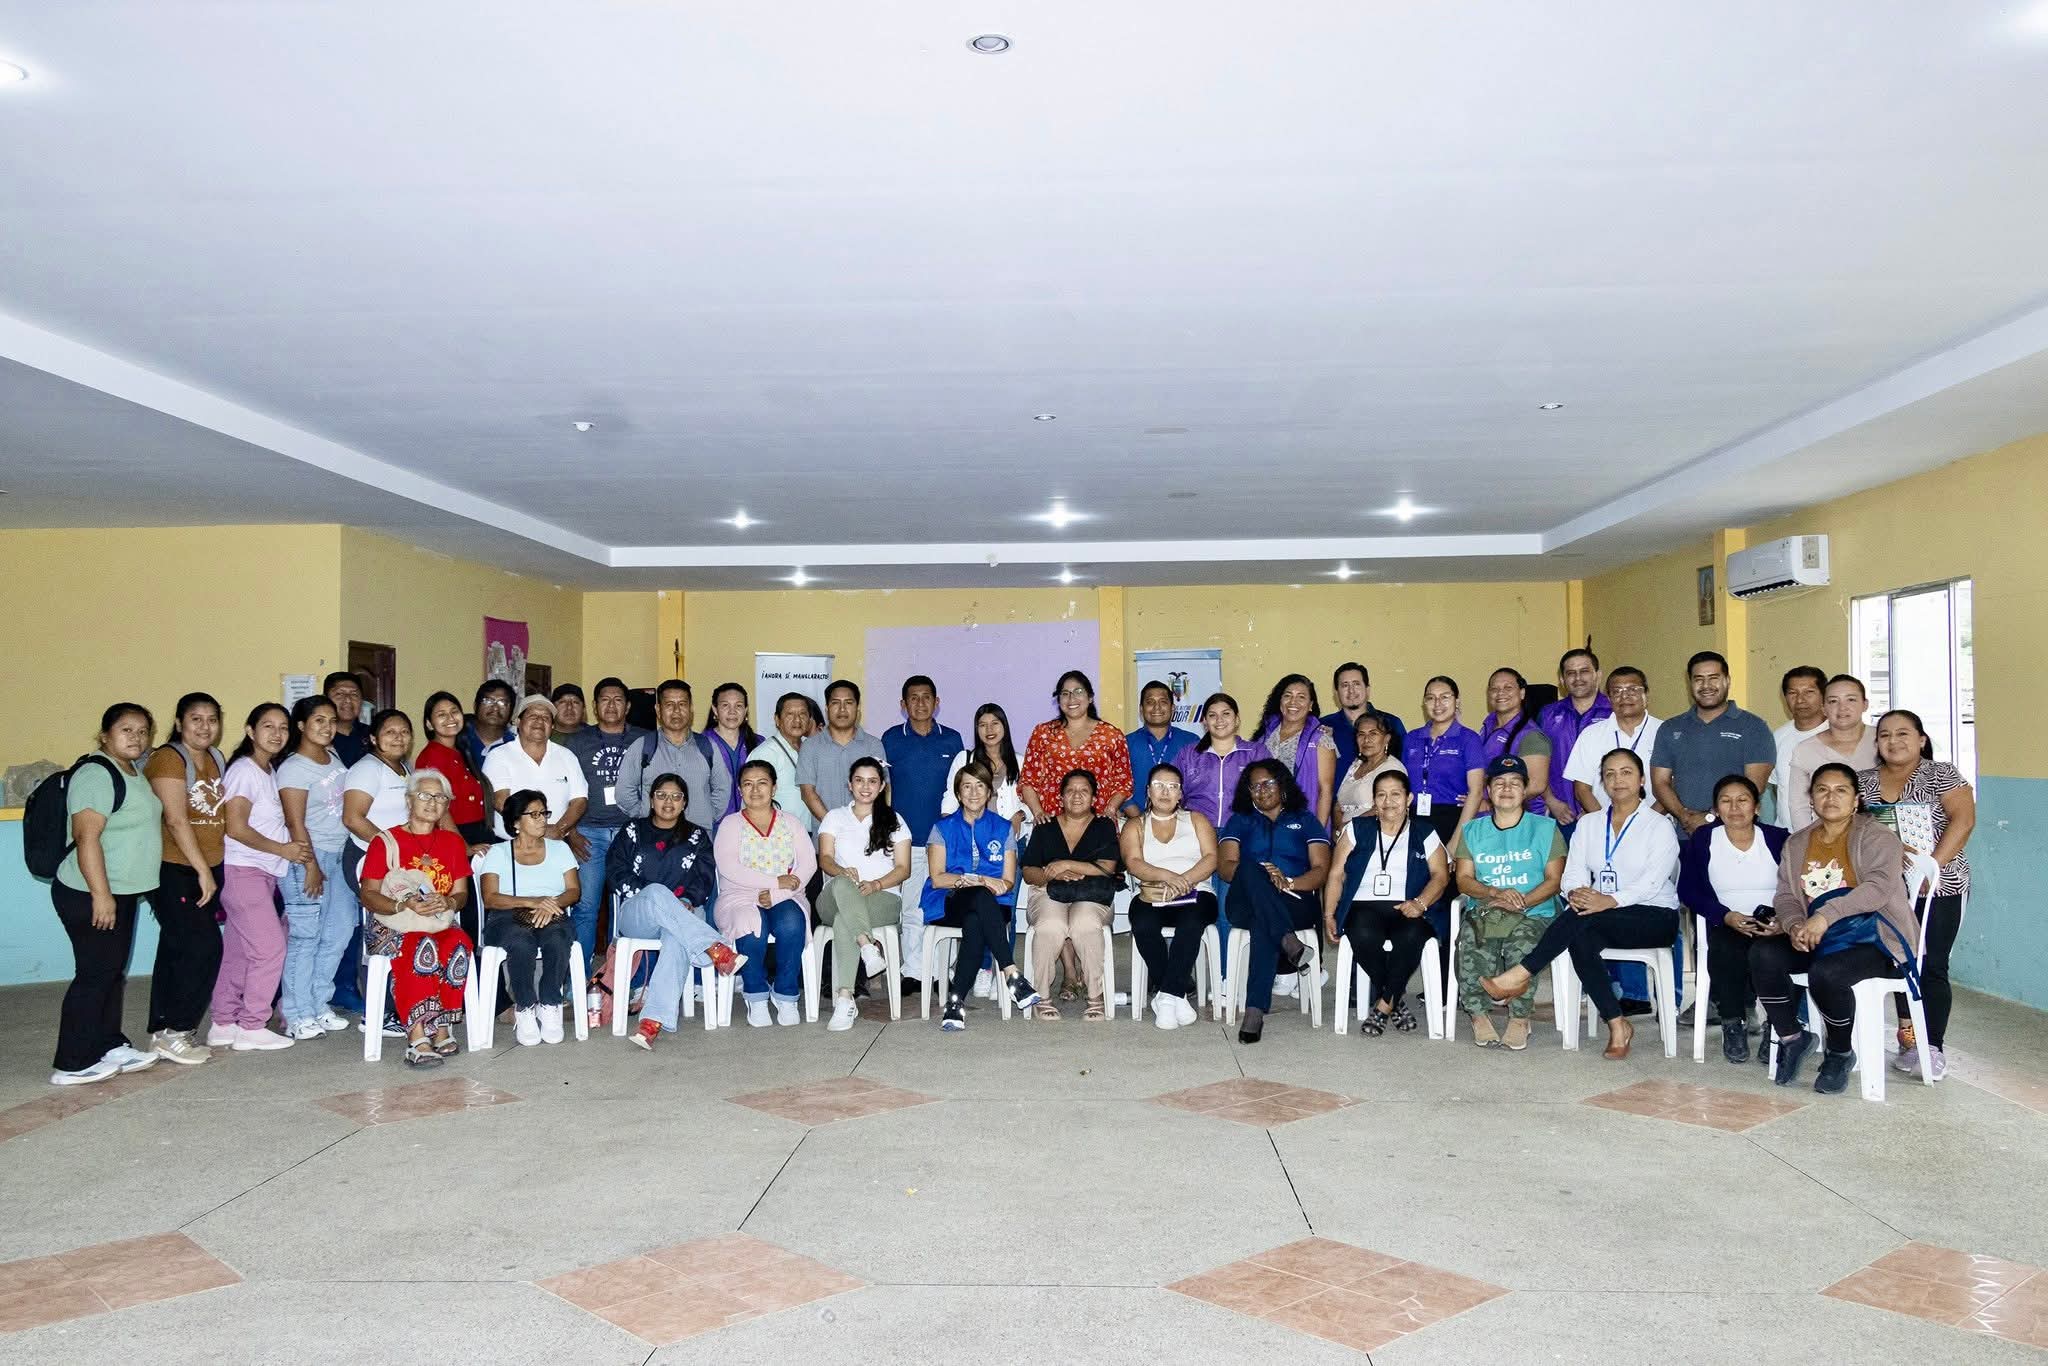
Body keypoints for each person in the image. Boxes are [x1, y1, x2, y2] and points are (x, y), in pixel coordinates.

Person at [1483, 750, 1681, 1059]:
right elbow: (1572, 871)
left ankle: (1522, 972)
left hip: (1654, 915)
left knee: (1581, 921)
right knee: (1580, 934)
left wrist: (1609, 900)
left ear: (1642, 780)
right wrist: (1576, 892)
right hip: (1600, 913)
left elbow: (1652, 882)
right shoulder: (1589, 824)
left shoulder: (1658, 825)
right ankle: (1617, 1023)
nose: (1618, 780)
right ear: (1602, 781)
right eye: (1610, 774)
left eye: (1626, 772)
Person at [1751, 763, 1921, 1094]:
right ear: (1811, 798)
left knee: (1827, 973)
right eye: (1822, 790)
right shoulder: (1797, 843)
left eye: (1841, 790)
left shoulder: (1879, 838)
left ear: (1856, 800)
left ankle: (1840, 1052)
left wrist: (1825, 917)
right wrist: (1795, 924)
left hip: (1876, 939)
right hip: (1820, 934)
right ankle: (1793, 1037)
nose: (1831, 797)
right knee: (1763, 954)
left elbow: (1877, 889)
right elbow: (1786, 895)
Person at [49, 703, 165, 1085]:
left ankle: (109, 1044)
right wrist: (101, 895)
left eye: (143, 731)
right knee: (95, 974)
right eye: (126, 729)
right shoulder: (96, 774)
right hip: (89, 892)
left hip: (121, 892)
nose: (136, 737)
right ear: (105, 735)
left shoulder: (131, 771)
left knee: (112, 972)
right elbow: (86, 838)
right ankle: (72, 1063)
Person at [1860, 708, 1974, 1080]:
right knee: (1899, 960)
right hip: (1887, 890)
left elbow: (1964, 820)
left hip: (1941, 886)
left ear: (1921, 739)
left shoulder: (1941, 774)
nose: (1893, 741)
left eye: (1903, 733)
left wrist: (1931, 868)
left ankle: (1933, 1047)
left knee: (1931, 963)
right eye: (1885, 735)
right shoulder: (1863, 782)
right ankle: (1910, 1040)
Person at [1444, 755, 1565, 1050]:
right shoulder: (1472, 831)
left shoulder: (1545, 828)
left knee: (1522, 941)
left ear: (1525, 790)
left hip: (1535, 910)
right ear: (1488, 790)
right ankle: (1478, 1014)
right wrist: (1495, 893)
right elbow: (1463, 880)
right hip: (1488, 907)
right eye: (1499, 783)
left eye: (1515, 783)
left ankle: (1520, 1018)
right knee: (1471, 938)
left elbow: (1554, 880)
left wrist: (1521, 902)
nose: (1507, 789)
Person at [610, 774, 738, 1051]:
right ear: (651, 799)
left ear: (685, 803)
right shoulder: (632, 830)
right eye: (661, 795)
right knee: (657, 892)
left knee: (675, 936)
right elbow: (616, 871)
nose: (668, 802)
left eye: (676, 796)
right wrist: (659, 898)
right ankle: (714, 948)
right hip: (639, 913)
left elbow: (704, 877)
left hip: (686, 911)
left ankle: (652, 1022)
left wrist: (688, 899)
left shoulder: (697, 836)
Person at [208, 703, 308, 1052]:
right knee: (271, 949)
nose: (277, 734)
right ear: (250, 731)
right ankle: (252, 1025)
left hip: (261, 873)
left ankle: (223, 1022)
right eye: (268, 726)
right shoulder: (244, 771)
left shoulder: (269, 771)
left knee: (239, 952)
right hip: (243, 871)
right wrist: (283, 850)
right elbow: (235, 827)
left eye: (283, 727)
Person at [358, 768, 474, 1067]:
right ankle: (417, 1036)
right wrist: (403, 905)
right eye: (424, 795)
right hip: (393, 923)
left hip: (438, 920)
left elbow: (461, 894)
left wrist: (448, 900)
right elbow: (368, 894)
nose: (432, 802)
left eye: (440, 797)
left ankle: (442, 1026)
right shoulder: (386, 841)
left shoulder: (452, 843)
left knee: (459, 942)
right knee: (421, 945)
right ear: (409, 800)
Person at [1324, 768, 1450, 1037]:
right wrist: (1329, 914)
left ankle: (1383, 1006)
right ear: (1374, 800)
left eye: (1395, 794)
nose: (1388, 801)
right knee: (1362, 932)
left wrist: (1420, 903)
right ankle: (1393, 1000)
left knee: (1412, 935)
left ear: (1409, 798)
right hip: (1363, 906)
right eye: (1381, 795)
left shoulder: (1425, 832)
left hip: (1409, 906)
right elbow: (1335, 874)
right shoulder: (1356, 829)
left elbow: (1441, 876)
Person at [1677, 775, 1789, 1064]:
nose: (1735, 808)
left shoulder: (1778, 838)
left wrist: (1781, 920)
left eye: (1743, 800)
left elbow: (1796, 887)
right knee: (1726, 947)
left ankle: (1776, 1028)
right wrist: (1724, 915)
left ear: (1757, 807)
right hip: (1726, 921)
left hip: (1774, 924)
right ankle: (1732, 1023)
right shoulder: (1704, 839)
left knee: (1775, 953)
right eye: (1726, 801)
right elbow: (1688, 890)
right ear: (1716, 809)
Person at [140, 692, 227, 1066]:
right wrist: (203, 871)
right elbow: (176, 820)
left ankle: (162, 1030)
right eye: (196, 719)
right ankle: (178, 1030)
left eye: (212, 719)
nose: (205, 727)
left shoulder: (215, 758)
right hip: (175, 869)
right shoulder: (168, 759)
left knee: (176, 947)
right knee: (203, 947)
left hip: (208, 867)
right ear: (179, 723)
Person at [924, 760, 1042, 1031]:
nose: (974, 792)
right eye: (967, 786)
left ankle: (955, 1002)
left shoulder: (1003, 828)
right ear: (958, 793)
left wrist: (987, 884)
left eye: (980, 786)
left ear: (990, 792)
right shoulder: (942, 828)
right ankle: (1011, 972)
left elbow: (1008, 882)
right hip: (949, 900)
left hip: (993, 905)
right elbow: (938, 878)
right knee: (978, 896)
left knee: (977, 919)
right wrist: (978, 881)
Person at [1219, 759, 1331, 1044]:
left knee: (1264, 921)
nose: (1262, 790)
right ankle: (1289, 942)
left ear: (1282, 784)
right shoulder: (1239, 820)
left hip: (1295, 900)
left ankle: (1254, 1011)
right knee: (1250, 867)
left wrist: (1289, 882)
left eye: (1268, 783)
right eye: (1254, 786)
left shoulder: (1305, 819)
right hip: (1244, 902)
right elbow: (1226, 868)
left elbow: (1320, 870)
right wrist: (1263, 873)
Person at [714, 760, 818, 1027]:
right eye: (748, 784)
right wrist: (774, 882)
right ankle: (756, 994)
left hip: (786, 895)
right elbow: (728, 867)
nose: (755, 790)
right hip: (739, 895)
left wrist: (779, 892)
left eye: (762, 783)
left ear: (774, 788)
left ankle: (785, 993)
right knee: (751, 926)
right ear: (739, 790)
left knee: (792, 923)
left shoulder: (791, 822)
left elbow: (808, 864)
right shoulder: (730, 824)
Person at [276, 696, 356, 1041]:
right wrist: (310, 866)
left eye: (331, 720)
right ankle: (296, 1013)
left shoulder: (332, 757)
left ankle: (319, 1003)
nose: (327, 727)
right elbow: (295, 822)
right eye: (319, 720)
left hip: (340, 856)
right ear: (301, 726)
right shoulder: (293, 768)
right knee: (305, 936)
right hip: (310, 857)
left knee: (338, 932)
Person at [1119, 762, 1220, 1029]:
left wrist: (1185, 880)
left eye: (1173, 786)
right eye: (1159, 786)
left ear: (1181, 793)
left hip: (1197, 891)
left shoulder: (1196, 820)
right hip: (1153, 892)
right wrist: (1168, 877)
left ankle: (1165, 997)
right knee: (1142, 923)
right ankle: (1177, 994)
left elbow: (1212, 858)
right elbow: (1133, 863)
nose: (1165, 792)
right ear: (1148, 791)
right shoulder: (1135, 825)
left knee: (1191, 922)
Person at [478, 788, 581, 1046]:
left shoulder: (560, 849)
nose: (542, 819)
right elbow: (490, 898)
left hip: (552, 911)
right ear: (515, 822)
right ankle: (525, 1007)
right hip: (506, 916)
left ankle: (550, 1003)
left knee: (557, 938)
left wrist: (550, 904)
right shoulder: (498, 853)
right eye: (533, 814)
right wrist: (532, 901)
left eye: (544, 813)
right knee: (521, 941)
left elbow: (573, 891)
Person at [815, 757, 912, 1030]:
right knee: (842, 883)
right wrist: (841, 872)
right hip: (834, 897)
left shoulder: (894, 820)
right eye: (859, 780)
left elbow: (903, 869)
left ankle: (845, 998)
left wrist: (877, 884)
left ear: (881, 786)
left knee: (844, 920)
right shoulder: (834, 817)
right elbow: (825, 859)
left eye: (872, 781)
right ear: (850, 784)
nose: (865, 787)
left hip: (883, 897)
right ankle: (867, 947)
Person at [1019, 769, 1121, 1020]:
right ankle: (1042, 997)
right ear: (1061, 797)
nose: (1077, 796)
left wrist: (1065, 864)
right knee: (1051, 926)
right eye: (1070, 791)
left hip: (1092, 894)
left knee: (1084, 924)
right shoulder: (1045, 827)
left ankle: (1095, 996)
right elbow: (1029, 872)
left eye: (1084, 791)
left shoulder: (1104, 825)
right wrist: (1051, 875)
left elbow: (1107, 868)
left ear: (1094, 798)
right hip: (1048, 891)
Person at [883, 675, 965, 987]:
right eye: (913, 698)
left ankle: (942, 971)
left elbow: (959, 788)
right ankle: (914, 971)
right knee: (912, 908)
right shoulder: (891, 739)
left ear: (937, 702)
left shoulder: (952, 740)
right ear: (903, 705)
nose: (920, 703)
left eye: (926, 697)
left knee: (944, 907)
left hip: (945, 841)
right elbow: (884, 788)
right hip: (908, 840)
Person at [561, 676, 649, 964]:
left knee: (630, 906)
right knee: (586, 906)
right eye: (604, 700)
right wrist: (570, 832)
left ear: (628, 706)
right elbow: (564, 791)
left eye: (618, 700)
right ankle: (580, 977)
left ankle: (622, 974)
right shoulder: (576, 742)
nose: (611, 705)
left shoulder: (645, 739)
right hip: (589, 834)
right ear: (595, 706)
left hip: (631, 833)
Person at [338, 709, 416, 1011]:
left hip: (398, 862)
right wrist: (390, 850)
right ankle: (379, 1011)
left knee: (403, 927)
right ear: (373, 738)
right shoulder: (367, 769)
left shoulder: (404, 769)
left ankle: (402, 1004)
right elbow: (352, 818)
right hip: (368, 858)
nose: (398, 737)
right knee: (381, 929)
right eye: (390, 732)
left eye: (404, 732)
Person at [1650, 652, 1776, 836]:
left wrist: (1710, 817)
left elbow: (1754, 786)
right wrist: (1684, 817)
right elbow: (1660, 782)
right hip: (1685, 835)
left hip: (1736, 836)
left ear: (1727, 681)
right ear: (1690, 684)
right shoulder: (1670, 728)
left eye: (1713, 678)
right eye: (1698, 679)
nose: (1706, 685)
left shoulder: (1754, 727)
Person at [1019, 671, 1133, 822]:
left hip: (1098, 821)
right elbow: (1027, 781)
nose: (1071, 698)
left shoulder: (1111, 735)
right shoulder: (1043, 733)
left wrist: (1111, 808)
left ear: (1090, 697)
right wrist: (1038, 813)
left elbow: (1124, 782)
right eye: (1065, 693)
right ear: (1059, 700)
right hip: (1052, 821)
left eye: (1078, 691)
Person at [482, 696, 590, 853]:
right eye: (532, 716)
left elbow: (579, 800)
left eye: (546, 718)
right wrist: (540, 830)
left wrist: (559, 829)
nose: (539, 721)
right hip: (512, 845)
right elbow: (501, 802)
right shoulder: (498, 755)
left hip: (557, 843)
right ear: (518, 722)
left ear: (552, 726)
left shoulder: (566, 756)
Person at [617, 679, 722, 829]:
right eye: (669, 704)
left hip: (698, 835)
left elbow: (722, 789)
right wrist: (644, 815)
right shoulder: (643, 746)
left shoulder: (707, 746)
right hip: (653, 837)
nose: (676, 710)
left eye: (682, 704)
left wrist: (707, 816)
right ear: (658, 710)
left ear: (691, 708)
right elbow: (624, 792)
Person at [1563, 667, 1662, 815]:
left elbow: (1673, 785)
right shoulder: (1591, 734)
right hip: (1603, 824)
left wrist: (1646, 822)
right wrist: (1605, 821)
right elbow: (1582, 789)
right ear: (1609, 699)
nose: (1624, 696)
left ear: (1646, 695)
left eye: (1632, 690)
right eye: (1617, 691)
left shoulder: (1664, 732)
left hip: (1656, 822)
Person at [1782, 675, 1876, 830]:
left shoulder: (1883, 740)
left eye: (1851, 699)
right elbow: (1799, 806)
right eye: (1833, 701)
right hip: (1826, 836)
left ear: (1865, 704)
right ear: (1824, 708)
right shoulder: (1805, 749)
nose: (1842, 707)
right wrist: (1807, 840)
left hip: (1878, 836)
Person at [1405, 676, 1484, 847]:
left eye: (1445, 697)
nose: (1437, 703)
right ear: (1424, 703)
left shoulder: (1469, 739)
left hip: (1453, 819)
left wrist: (1456, 842)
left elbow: (1476, 792)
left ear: (1457, 701)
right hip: (1415, 819)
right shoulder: (1411, 738)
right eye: (1430, 698)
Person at [1255, 674, 1340, 831]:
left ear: (1310, 705)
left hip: (1302, 827)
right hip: (1263, 825)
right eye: (1288, 696)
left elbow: (1325, 791)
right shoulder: (1264, 736)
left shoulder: (1321, 739)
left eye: (1301, 697)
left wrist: (1317, 835)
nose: (1293, 702)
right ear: (1280, 701)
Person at [797, 679, 890, 824]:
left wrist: (871, 825)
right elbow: (807, 793)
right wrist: (834, 827)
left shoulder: (873, 745)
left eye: (848, 703)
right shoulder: (810, 747)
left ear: (857, 708)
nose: (842, 709)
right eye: (835, 703)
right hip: (826, 833)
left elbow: (884, 789)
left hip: (868, 832)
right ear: (827, 708)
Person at [416, 691, 496, 854]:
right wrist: (464, 848)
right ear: (429, 724)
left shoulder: (460, 751)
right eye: (441, 714)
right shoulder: (432, 757)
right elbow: (437, 808)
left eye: (454, 711)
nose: (450, 718)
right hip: (454, 838)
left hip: (478, 832)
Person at [1536, 648, 1611, 824]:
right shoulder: (1547, 714)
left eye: (1584, 671)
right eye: (1571, 673)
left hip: (1606, 813)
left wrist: (1594, 810)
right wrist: (1551, 801)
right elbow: (1536, 764)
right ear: (1562, 680)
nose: (1578, 678)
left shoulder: (1614, 712)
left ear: (1598, 675)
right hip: (1561, 814)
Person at [1478, 668, 1553, 817]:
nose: (1500, 693)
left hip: (1520, 820)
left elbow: (1536, 785)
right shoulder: (1487, 726)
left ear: (1522, 693)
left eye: (1508, 688)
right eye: (1494, 689)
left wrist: (1490, 802)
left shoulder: (1531, 736)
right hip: (1489, 818)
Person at [1120, 680, 1198, 819]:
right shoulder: (1126, 743)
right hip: (1134, 820)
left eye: (1163, 702)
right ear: (1141, 709)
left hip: (1181, 821)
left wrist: (1179, 819)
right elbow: (1119, 786)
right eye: (1150, 702)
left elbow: (1198, 786)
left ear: (1173, 708)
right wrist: (1140, 820)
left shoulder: (1191, 741)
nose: (1157, 707)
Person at [942, 703, 1026, 826]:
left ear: (1004, 726)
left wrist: (1021, 815)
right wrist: (947, 827)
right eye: (983, 725)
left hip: (1012, 834)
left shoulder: (1021, 762)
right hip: (972, 833)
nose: (989, 729)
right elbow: (951, 797)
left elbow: (1034, 799)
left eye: (995, 723)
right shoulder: (965, 759)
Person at [1768, 665, 1828, 823]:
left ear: (1824, 695)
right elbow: (1776, 787)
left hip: (1829, 833)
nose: (1800, 700)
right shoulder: (1778, 737)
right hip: (1786, 833)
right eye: (1793, 693)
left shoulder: (1836, 733)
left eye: (1809, 692)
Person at [751, 691, 818, 832]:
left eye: (802, 714)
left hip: (810, 834)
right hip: (779, 836)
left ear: (810, 719)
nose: (797, 720)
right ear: (777, 719)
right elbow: (752, 801)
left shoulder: (813, 748)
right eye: (790, 714)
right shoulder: (765, 754)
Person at [1323, 661, 1407, 773]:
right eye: (1345, 685)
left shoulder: (1391, 723)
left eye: (1356, 684)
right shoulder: (1323, 726)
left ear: (1367, 689)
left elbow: (1405, 765)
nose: (1351, 690)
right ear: (1336, 692)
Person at [1334, 713, 1404, 825]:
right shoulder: (1356, 764)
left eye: (1373, 733)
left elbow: (1387, 807)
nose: (1366, 740)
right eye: (1361, 734)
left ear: (1387, 739)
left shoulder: (1393, 769)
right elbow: (1339, 805)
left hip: (1373, 832)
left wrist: (1350, 828)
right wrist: (1339, 829)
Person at [705, 682, 761, 820]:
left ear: (746, 710)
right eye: (725, 705)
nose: (732, 711)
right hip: (714, 824)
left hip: (751, 823)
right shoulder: (701, 744)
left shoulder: (759, 743)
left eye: (738, 706)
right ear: (715, 710)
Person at [460, 679, 517, 773]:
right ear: (475, 706)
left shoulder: (517, 746)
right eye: (488, 701)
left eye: (502, 703)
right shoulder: (457, 739)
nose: (495, 708)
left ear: (511, 711)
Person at [324, 671, 371, 766]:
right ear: (325, 700)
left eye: (354, 694)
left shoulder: (372, 735)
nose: (348, 700)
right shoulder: (317, 737)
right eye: (339, 694)